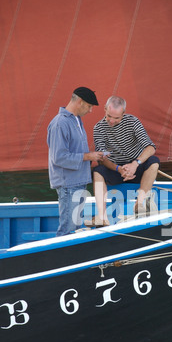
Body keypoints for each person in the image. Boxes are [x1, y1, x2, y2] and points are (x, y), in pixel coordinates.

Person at [86, 96, 160, 226]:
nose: (112, 121)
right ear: (104, 109)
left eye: (116, 118)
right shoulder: (99, 128)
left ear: (123, 114)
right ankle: (102, 217)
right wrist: (118, 169)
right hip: (116, 169)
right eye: (109, 116)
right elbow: (102, 158)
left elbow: (150, 147)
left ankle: (140, 204)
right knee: (97, 171)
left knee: (154, 161)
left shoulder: (133, 122)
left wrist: (135, 164)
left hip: (137, 167)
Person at [47, 87, 104, 236]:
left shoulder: (77, 120)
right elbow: (59, 157)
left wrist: (92, 155)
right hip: (68, 185)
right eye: (89, 106)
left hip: (79, 182)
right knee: (68, 230)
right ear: (80, 101)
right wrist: (88, 156)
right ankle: (61, 258)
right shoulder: (60, 123)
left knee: (75, 229)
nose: (91, 110)